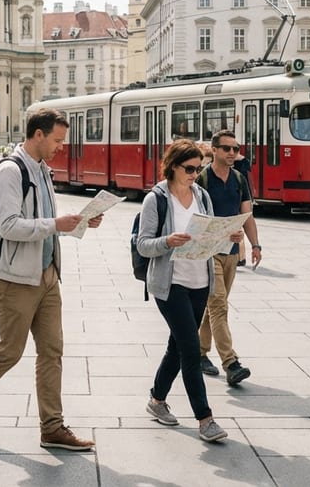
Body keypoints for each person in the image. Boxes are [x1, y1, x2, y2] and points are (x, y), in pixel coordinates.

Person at [0, 108, 102, 451]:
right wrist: (55, 224)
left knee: (52, 351)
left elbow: (47, 220)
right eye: (57, 140)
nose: (61, 147)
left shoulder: (42, 170)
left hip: (47, 273)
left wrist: (79, 222)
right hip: (16, 277)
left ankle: (52, 426)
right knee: (10, 351)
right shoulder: (10, 171)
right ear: (38, 135)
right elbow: (8, 226)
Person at [135, 139, 243, 443]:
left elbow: (208, 240)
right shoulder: (156, 199)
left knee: (177, 346)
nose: (195, 174)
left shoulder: (202, 196)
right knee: (191, 350)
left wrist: (227, 237)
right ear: (173, 166)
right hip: (170, 285)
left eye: (199, 168)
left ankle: (156, 400)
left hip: (200, 282)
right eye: (190, 168)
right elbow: (143, 245)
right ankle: (205, 419)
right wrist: (168, 241)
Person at [196, 130, 261, 385]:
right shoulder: (201, 179)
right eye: (227, 149)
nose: (232, 153)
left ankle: (200, 353)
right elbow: (197, 221)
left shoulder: (239, 179)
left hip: (232, 253)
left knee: (214, 308)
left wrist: (255, 244)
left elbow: (247, 216)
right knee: (219, 305)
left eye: (235, 148)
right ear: (214, 150)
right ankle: (230, 363)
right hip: (209, 253)